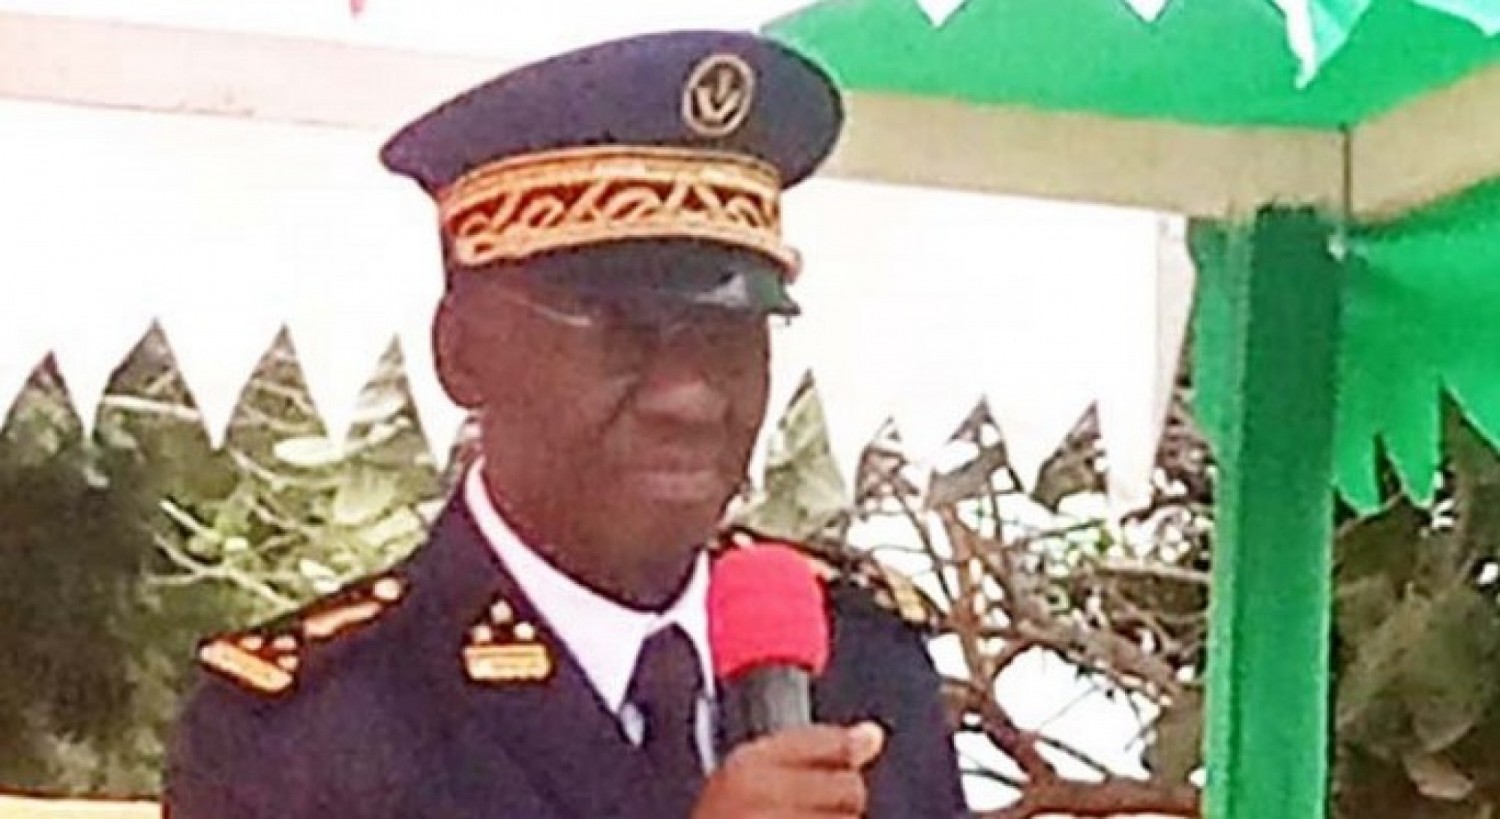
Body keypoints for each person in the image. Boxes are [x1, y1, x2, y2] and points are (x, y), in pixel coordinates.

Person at [164, 30, 967, 819]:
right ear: (461, 352)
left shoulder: (861, 668)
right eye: (623, 330)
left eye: (727, 334)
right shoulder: (301, 730)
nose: (687, 397)